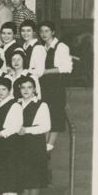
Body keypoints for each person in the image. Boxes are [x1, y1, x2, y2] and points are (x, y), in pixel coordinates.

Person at [14, 77, 51, 195]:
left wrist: (27, 130)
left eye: (29, 87)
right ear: (19, 89)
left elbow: (46, 126)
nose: (26, 90)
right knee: (24, 175)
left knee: (34, 176)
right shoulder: (16, 104)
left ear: (34, 89)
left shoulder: (41, 105)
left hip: (35, 144)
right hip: (20, 144)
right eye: (23, 87)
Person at [37, 21, 72, 151]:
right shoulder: (42, 48)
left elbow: (66, 68)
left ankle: (49, 146)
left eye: (47, 31)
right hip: (44, 86)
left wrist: (46, 71)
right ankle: (44, 147)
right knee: (46, 115)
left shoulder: (61, 46)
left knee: (56, 115)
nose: (44, 34)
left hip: (56, 85)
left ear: (53, 32)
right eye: (41, 31)